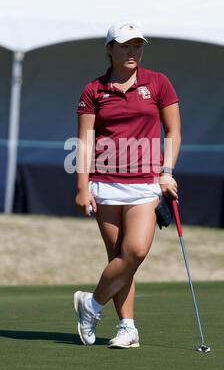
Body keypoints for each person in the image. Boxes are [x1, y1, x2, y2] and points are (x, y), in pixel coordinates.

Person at [74, 21, 181, 348]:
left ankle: (90, 305)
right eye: (124, 45)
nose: (132, 51)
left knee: (134, 252)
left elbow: (173, 132)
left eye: (137, 45)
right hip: (105, 184)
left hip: (145, 184)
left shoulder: (159, 83)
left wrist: (167, 170)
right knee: (119, 258)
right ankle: (127, 327)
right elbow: (85, 141)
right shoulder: (94, 90)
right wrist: (82, 186)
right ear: (109, 49)